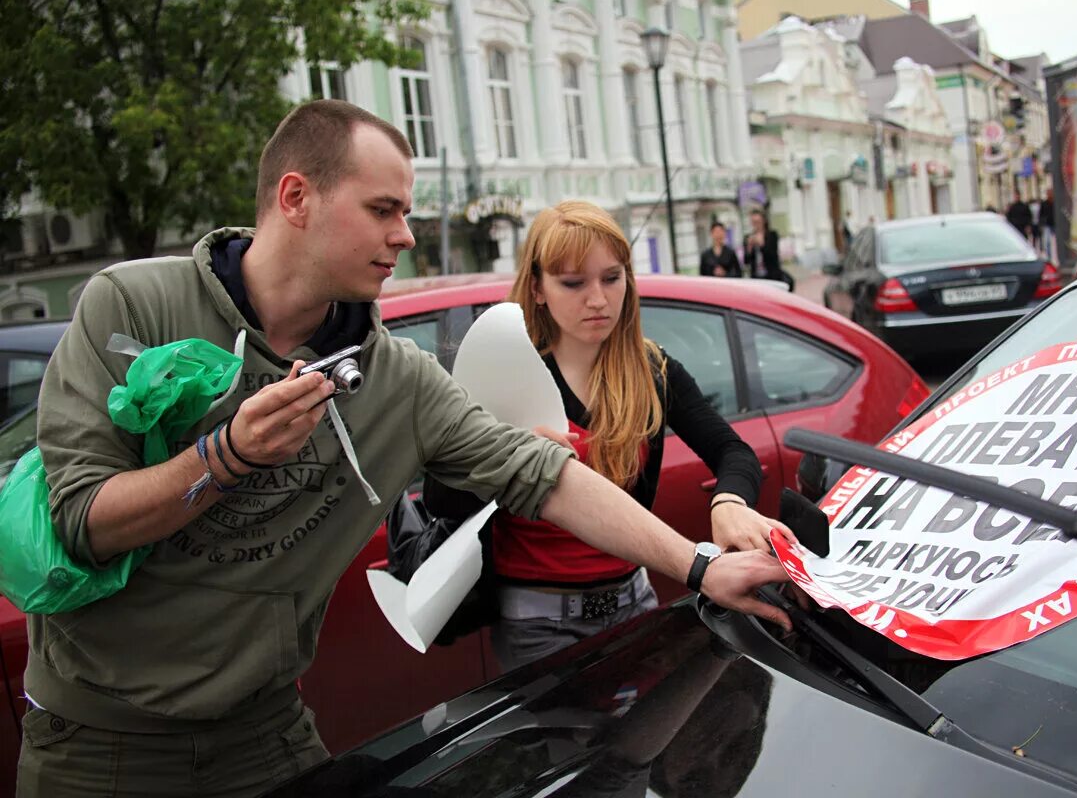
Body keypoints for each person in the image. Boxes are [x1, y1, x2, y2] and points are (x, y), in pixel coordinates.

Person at [19, 101, 789, 797]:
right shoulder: (132, 304)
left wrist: (700, 566)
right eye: (383, 209)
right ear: (296, 199)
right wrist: (222, 459)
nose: (406, 235)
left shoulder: (396, 378)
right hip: (98, 744)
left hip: (266, 735)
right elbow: (84, 520)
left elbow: (545, 477)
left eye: (408, 211)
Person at [425, 200, 787, 673]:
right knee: (567, 748)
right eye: (573, 283)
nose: (597, 299)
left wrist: (729, 503)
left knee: (648, 748)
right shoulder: (507, 374)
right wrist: (505, 462)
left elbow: (731, 450)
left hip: (635, 600)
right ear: (537, 288)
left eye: (611, 278)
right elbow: (441, 498)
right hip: (536, 623)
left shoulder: (652, 370)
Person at [742, 209, 794, 292]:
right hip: (756, 276)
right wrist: (749, 248)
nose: (756, 225)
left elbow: (773, 256)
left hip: (771, 275)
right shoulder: (748, 237)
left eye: (758, 222)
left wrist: (762, 244)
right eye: (753, 222)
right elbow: (746, 261)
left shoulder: (772, 235)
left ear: (763, 221)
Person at [1039, 188, 1056, 261]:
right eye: (1048, 193)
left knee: (1056, 241)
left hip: (1055, 224)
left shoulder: (1055, 202)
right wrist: (1042, 223)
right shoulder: (1044, 203)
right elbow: (1041, 214)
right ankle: (1049, 257)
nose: (1049, 194)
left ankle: (1055, 256)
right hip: (1047, 224)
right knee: (1048, 242)